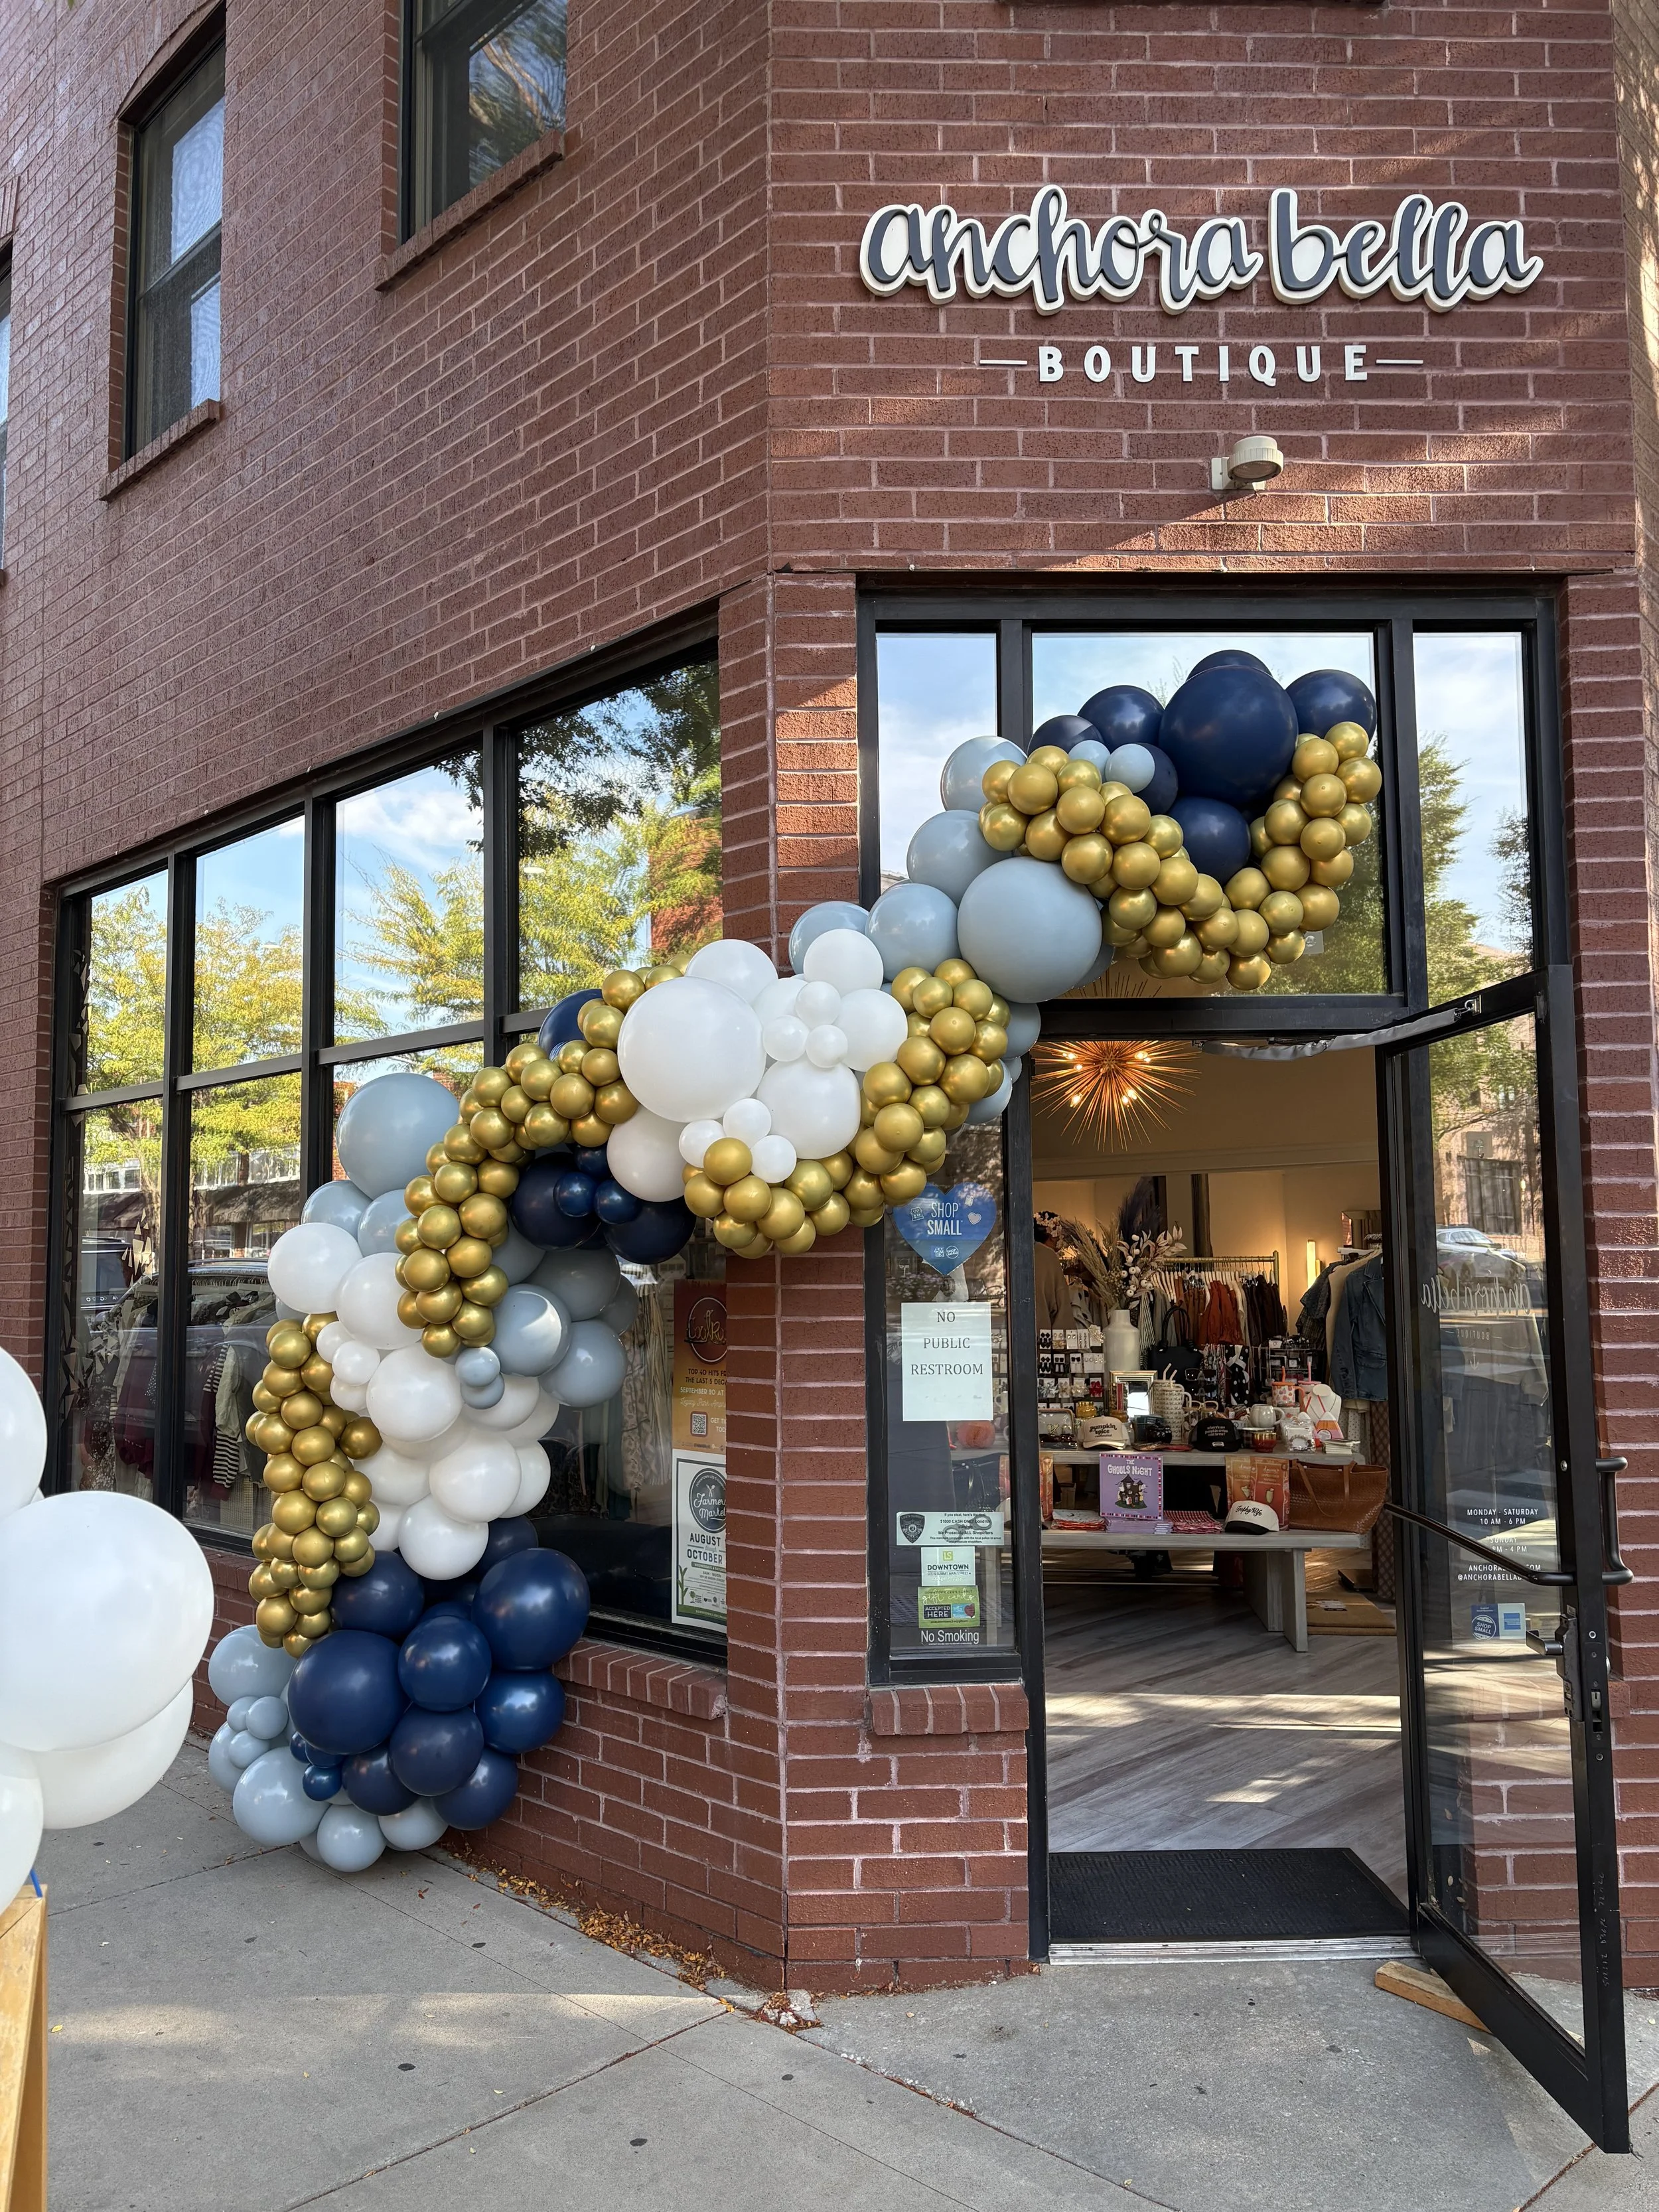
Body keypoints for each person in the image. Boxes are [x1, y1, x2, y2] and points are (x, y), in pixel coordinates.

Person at [1033, 1217, 1070, 1336]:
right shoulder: (1047, 1256)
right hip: (1040, 1343)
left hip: (1040, 1342)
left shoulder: (1046, 1256)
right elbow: (1061, 1306)